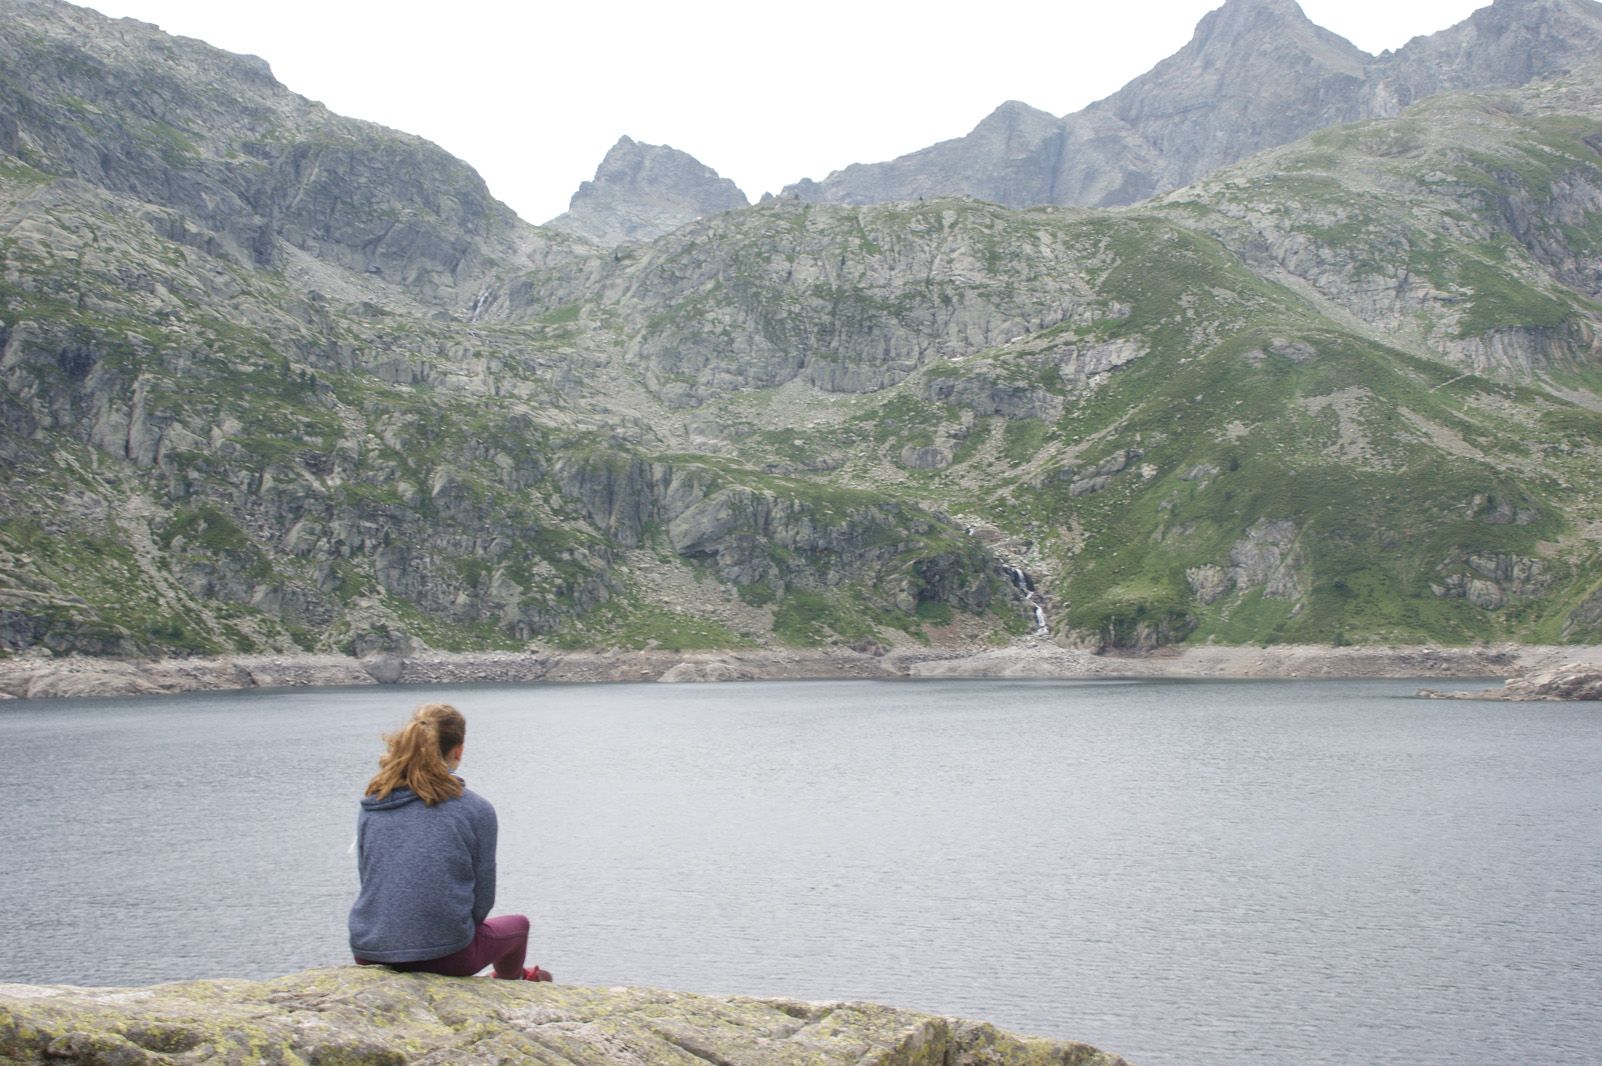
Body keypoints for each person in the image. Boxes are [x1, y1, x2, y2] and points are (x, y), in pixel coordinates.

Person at [347, 702, 552, 981]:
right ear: (458, 751)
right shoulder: (475, 809)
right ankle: (512, 984)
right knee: (519, 927)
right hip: (447, 957)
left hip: (369, 953)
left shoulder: (373, 803)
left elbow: (368, 879)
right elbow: (483, 900)